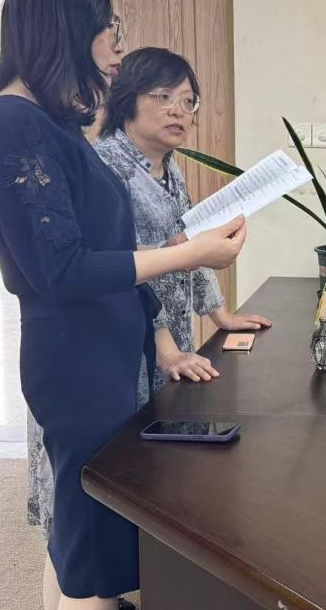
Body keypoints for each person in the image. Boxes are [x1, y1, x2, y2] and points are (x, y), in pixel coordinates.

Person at [0, 0, 247, 610]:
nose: (118, 46)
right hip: (75, 359)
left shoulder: (50, 123)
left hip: (100, 350)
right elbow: (60, 270)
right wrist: (189, 254)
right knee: (90, 548)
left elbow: (99, 250)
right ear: (66, 26)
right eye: (109, 28)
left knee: (76, 533)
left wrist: (161, 326)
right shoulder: (12, 125)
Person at [96, 46, 272, 384]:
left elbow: (191, 242)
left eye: (188, 101)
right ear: (127, 99)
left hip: (173, 346)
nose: (179, 111)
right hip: (128, 350)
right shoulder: (105, 167)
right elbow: (122, 270)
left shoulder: (166, 165)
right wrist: (167, 352)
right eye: (164, 97)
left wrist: (221, 315)